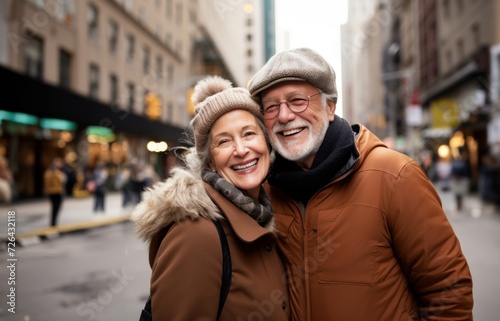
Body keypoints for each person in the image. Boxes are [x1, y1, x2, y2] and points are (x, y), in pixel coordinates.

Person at [247, 47, 473, 321]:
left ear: (329, 107)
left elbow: (449, 294)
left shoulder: (395, 176)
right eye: (272, 107)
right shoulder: (265, 192)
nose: (284, 116)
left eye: (298, 101)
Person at [131, 76, 289, 320]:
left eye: (249, 134)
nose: (241, 149)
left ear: (267, 143)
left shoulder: (265, 212)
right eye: (224, 141)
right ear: (211, 161)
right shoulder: (196, 232)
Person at [44, 158, 66, 227]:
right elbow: (61, 180)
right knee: (56, 207)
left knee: (55, 208)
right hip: (56, 192)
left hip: (52, 192)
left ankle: (54, 223)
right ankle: (53, 223)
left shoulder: (49, 171)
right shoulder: (55, 172)